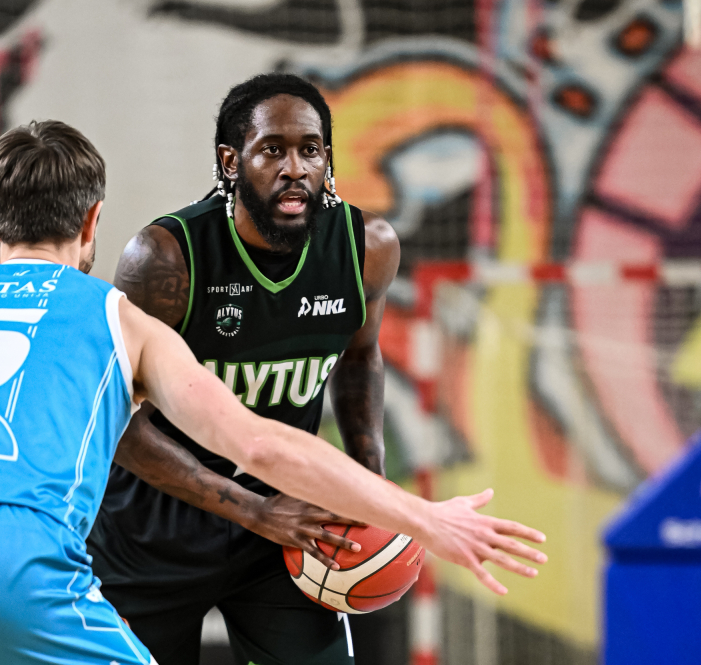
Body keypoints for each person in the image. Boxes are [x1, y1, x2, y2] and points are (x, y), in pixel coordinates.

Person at [0, 119, 546, 665]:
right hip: (12, 558)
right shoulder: (118, 320)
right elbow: (260, 444)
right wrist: (423, 516)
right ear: (93, 220)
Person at [86, 74, 546, 665]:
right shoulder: (165, 258)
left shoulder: (366, 247)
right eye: (272, 150)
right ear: (230, 162)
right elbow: (117, 425)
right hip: (149, 535)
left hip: (288, 533)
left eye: (311, 149)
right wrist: (252, 509)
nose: (295, 168)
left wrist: (370, 484)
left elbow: (359, 358)